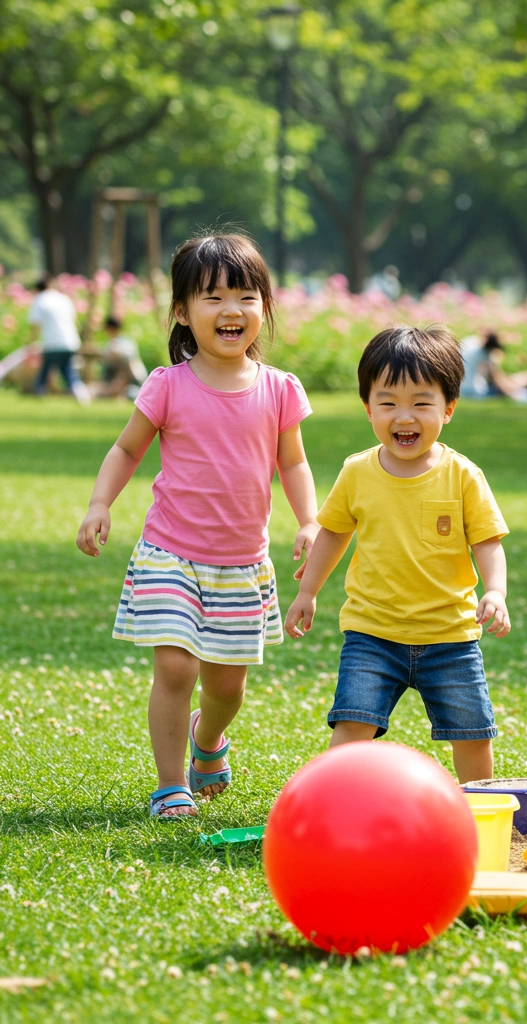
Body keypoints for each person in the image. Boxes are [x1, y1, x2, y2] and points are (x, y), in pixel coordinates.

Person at [75, 233, 320, 819]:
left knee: (227, 687)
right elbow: (126, 450)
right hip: (170, 552)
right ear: (183, 312)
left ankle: (206, 742)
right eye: (212, 298)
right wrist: (99, 504)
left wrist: (309, 520)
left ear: (263, 306)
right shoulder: (167, 384)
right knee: (176, 663)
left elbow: (293, 462)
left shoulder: (279, 389)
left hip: (241, 561)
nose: (231, 310)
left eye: (245, 296)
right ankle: (170, 784)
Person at [284, 325, 511, 783]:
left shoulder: (463, 475)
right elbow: (332, 534)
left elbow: (486, 541)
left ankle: (478, 811)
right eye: (388, 402)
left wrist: (496, 592)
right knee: (352, 724)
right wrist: (308, 591)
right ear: (368, 408)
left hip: (451, 635)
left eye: (421, 403)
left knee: (473, 734)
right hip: (373, 633)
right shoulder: (357, 472)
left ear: (448, 408)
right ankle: (332, 804)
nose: (403, 417)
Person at [28, 275, 90, 405]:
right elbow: (74, 321)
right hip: (70, 341)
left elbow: (35, 325)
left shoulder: (40, 299)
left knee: (46, 370)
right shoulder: (63, 299)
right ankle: (81, 394)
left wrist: (32, 343)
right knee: (67, 370)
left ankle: (38, 392)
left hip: (52, 343)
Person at [460, 332, 527, 400]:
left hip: (460, 388)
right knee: (515, 382)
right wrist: (514, 395)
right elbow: (498, 380)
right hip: (473, 392)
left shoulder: (470, 341)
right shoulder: (484, 353)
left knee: (515, 380)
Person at [90, 315, 148, 399]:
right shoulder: (110, 344)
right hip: (115, 377)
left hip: (132, 379)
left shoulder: (125, 343)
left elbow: (129, 362)